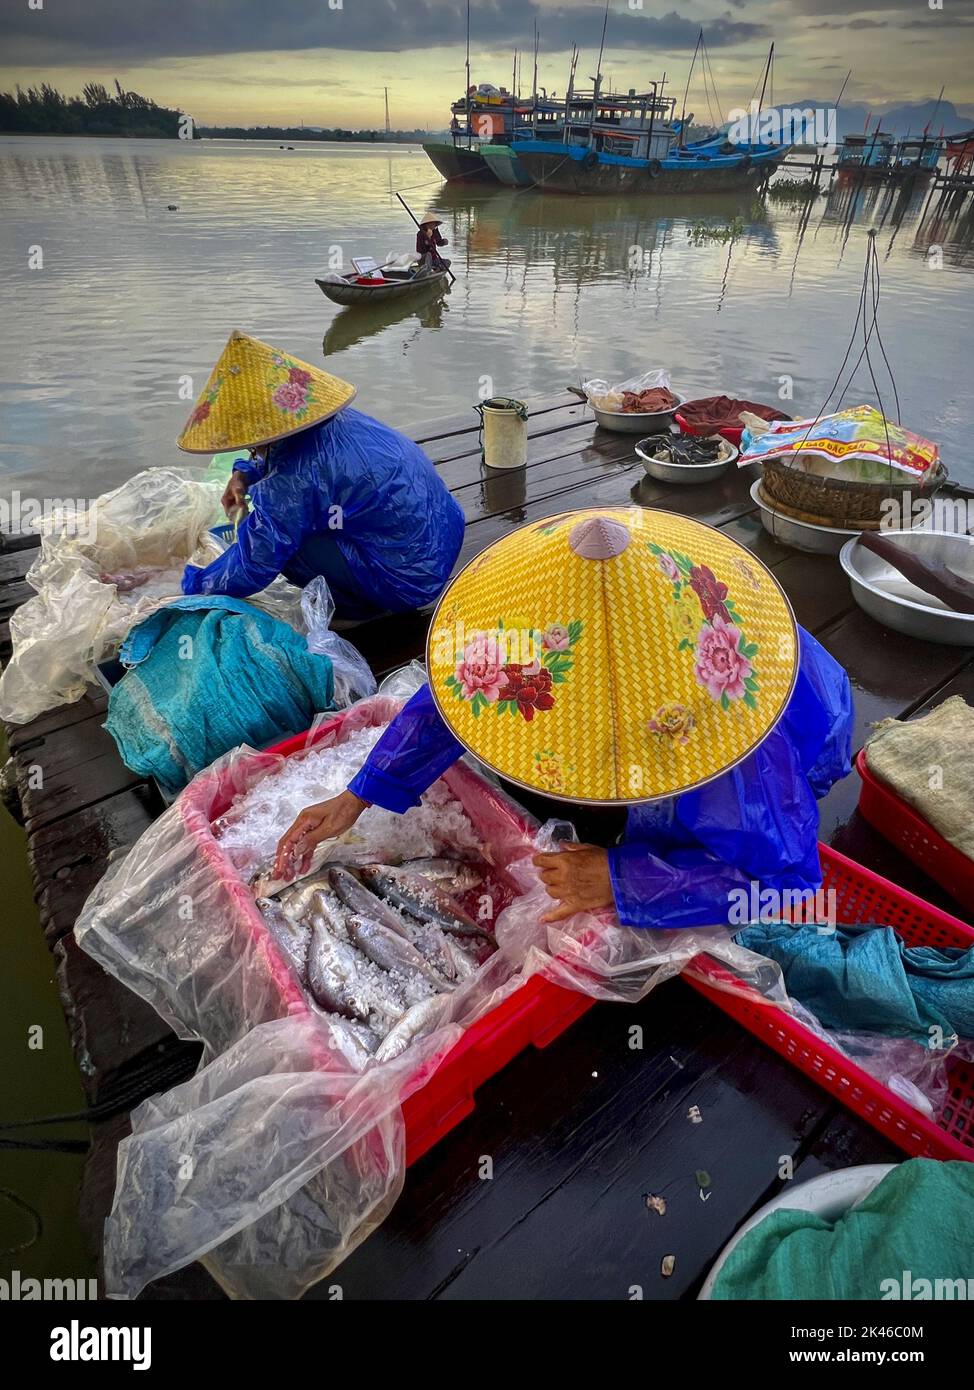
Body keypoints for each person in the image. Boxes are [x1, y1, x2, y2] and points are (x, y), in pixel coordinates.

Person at [274, 509, 854, 928]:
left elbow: (784, 884)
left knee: (694, 831)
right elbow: (457, 699)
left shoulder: (728, 738)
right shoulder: (534, 627)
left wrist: (623, 880)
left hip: (791, 734)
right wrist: (361, 793)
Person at [176, 331, 464, 622]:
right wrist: (244, 474)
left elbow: (256, 563)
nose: (248, 446)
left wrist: (192, 586)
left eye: (248, 440)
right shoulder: (337, 421)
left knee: (285, 545)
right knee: (293, 522)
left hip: (407, 582)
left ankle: (363, 609)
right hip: (441, 538)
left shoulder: (292, 479)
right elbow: (292, 460)